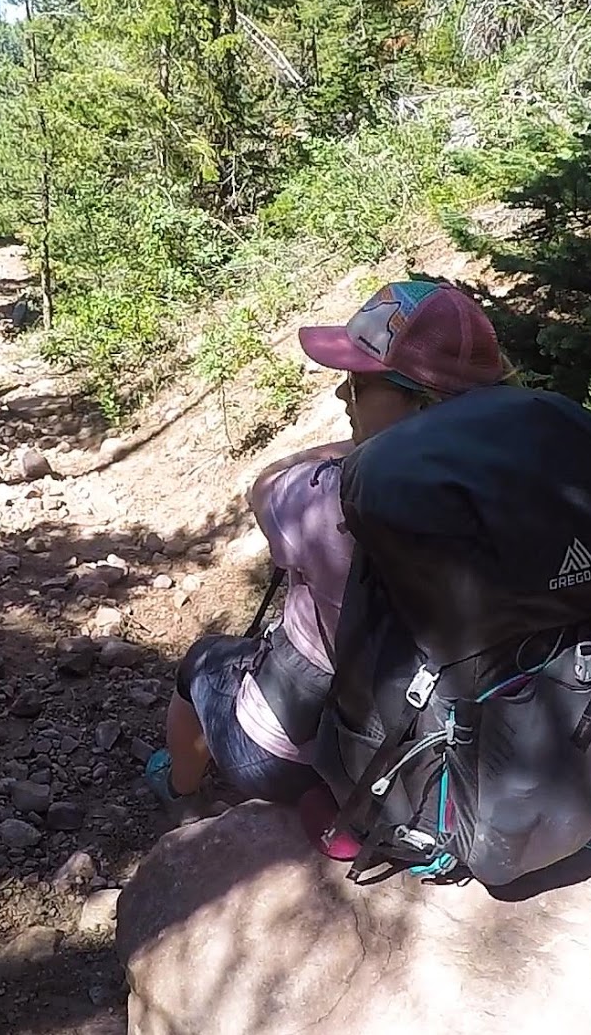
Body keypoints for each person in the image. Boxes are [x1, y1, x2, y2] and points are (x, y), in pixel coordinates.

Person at [144, 280, 511, 844]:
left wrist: (341, 452)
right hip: (465, 743)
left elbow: (264, 487)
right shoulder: (519, 490)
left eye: (360, 383)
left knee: (202, 660)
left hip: (301, 749)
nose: (343, 396)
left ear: (422, 402)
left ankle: (182, 792)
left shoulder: (331, 497)